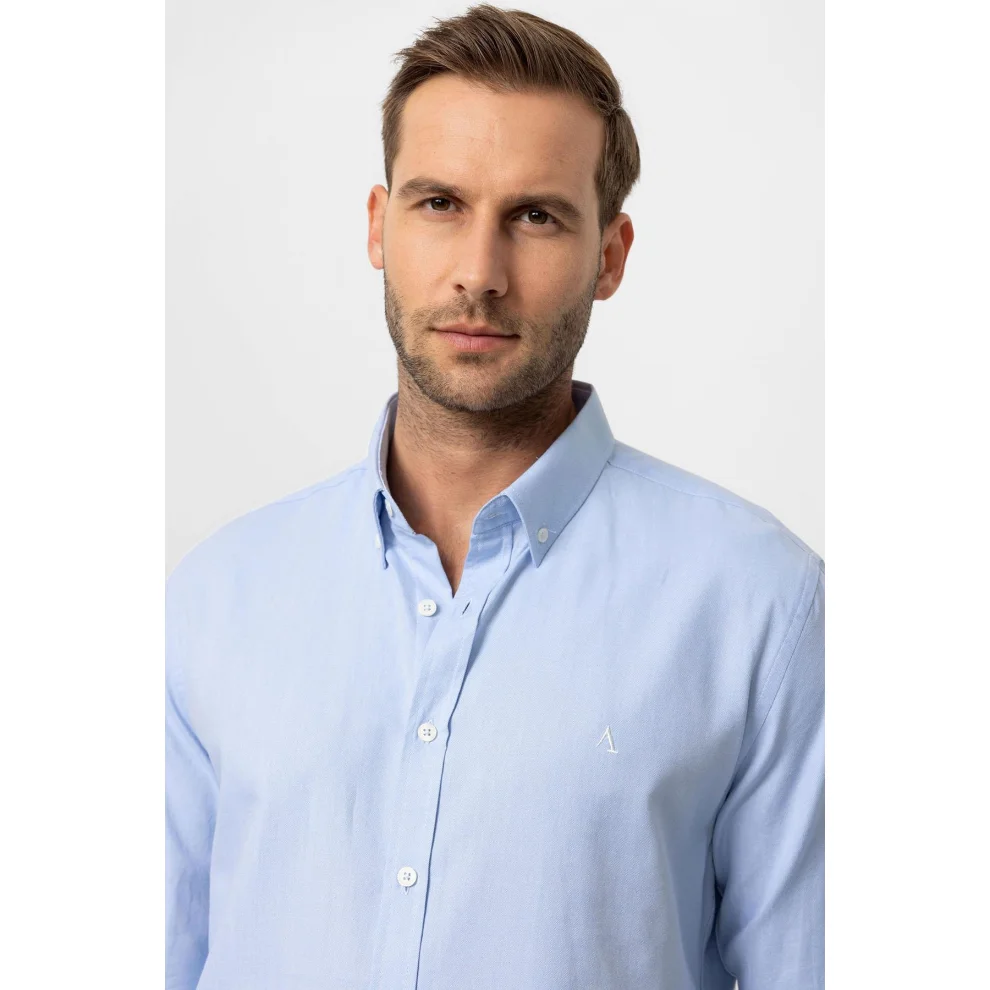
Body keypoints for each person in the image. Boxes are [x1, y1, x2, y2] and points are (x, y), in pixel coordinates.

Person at [165, 5, 824, 989]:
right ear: (379, 226)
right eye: (440, 203)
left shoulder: (759, 603)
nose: (480, 274)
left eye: (536, 216)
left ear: (611, 255)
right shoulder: (217, 597)